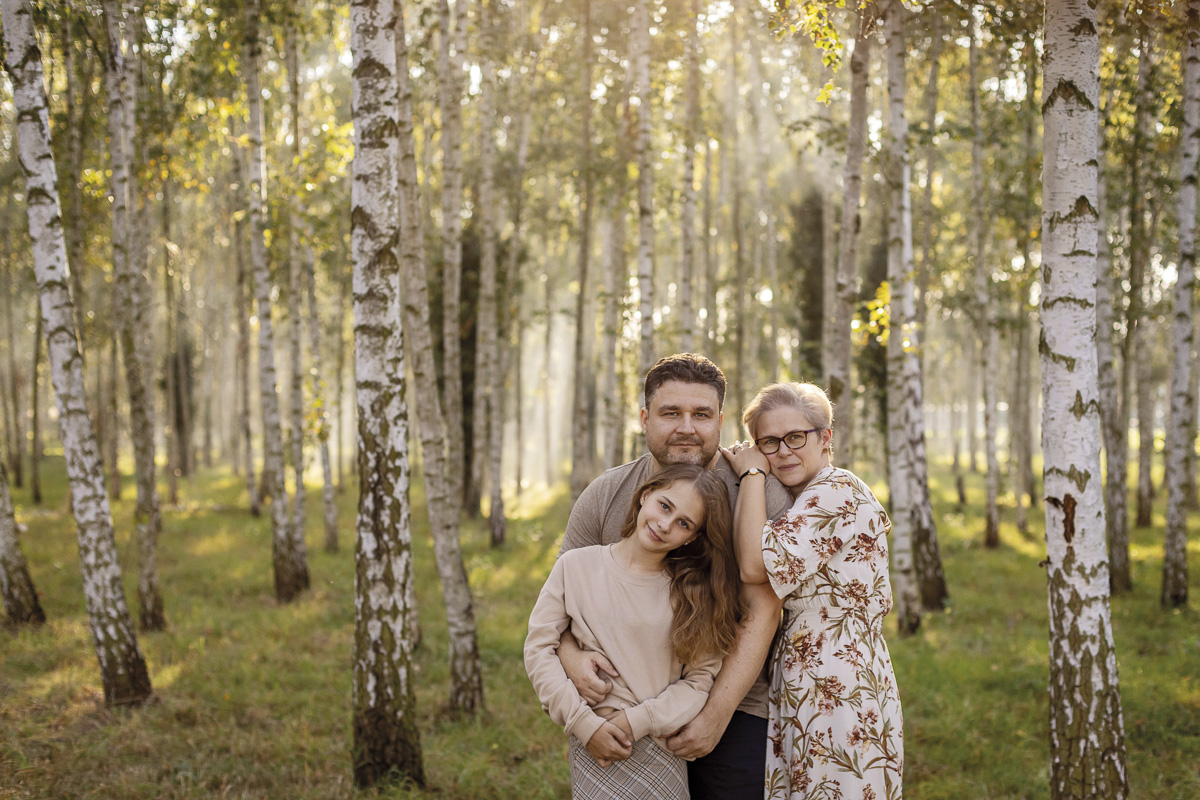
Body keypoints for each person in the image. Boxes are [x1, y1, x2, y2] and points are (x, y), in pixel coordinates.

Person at [556, 353, 792, 799]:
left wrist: (715, 714)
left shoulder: (759, 493)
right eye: (670, 413)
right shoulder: (606, 495)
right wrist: (571, 658)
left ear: (719, 420)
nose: (687, 427)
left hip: (736, 701)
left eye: (701, 414)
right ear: (645, 419)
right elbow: (559, 600)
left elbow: (763, 610)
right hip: (624, 701)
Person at [725, 382, 903, 800]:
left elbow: (754, 566)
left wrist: (752, 473)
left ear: (825, 438)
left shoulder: (835, 490)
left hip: (837, 679)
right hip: (812, 672)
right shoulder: (806, 498)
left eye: (795, 437)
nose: (784, 452)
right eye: (769, 443)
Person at [525, 465, 743, 799]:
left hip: (657, 749)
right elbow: (539, 648)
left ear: (692, 537)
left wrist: (636, 721)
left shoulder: (693, 595)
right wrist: (583, 723)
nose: (665, 524)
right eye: (664, 506)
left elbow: (699, 682)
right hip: (592, 742)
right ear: (645, 495)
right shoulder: (574, 567)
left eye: (684, 523)